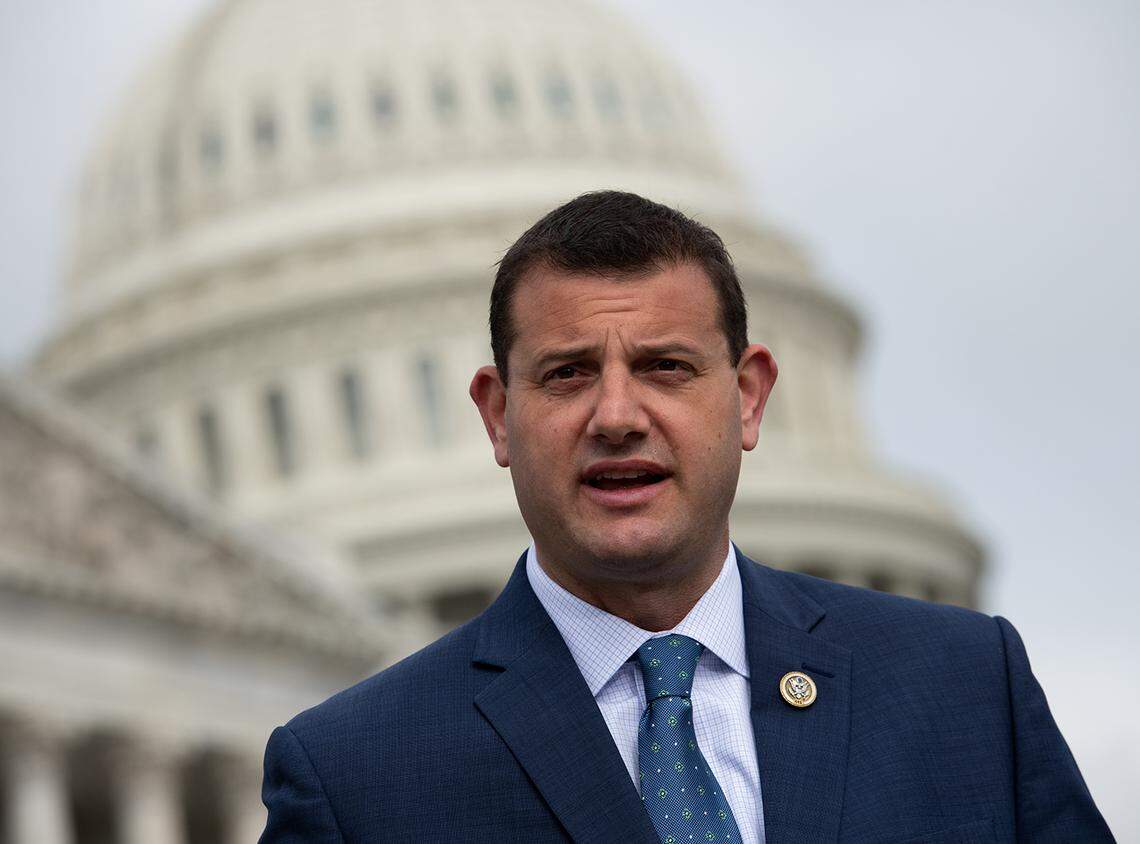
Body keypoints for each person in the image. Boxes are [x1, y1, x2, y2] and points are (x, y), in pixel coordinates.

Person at [260, 191, 1111, 842]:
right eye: (566, 374)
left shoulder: (963, 691)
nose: (618, 415)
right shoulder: (357, 779)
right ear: (496, 416)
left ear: (747, 398)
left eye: (666, 366)